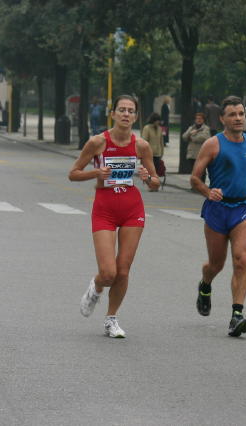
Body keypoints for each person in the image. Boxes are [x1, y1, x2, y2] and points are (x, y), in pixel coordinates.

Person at [69, 94, 161, 338]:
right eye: (121, 110)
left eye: (130, 111)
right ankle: (96, 287)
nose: (126, 114)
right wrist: (96, 173)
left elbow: (156, 183)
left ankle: (111, 319)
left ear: (136, 116)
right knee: (108, 272)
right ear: (113, 114)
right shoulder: (98, 142)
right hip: (105, 209)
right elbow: (73, 173)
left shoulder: (141, 146)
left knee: (123, 270)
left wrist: (147, 178)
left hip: (132, 208)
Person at [190, 95, 246, 337]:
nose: (238, 118)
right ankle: (205, 284)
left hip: (244, 209)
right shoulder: (212, 144)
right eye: (232, 114)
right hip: (218, 211)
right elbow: (195, 178)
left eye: (241, 114)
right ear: (222, 119)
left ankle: (236, 315)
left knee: (242, 260)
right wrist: (209, 191)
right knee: (216, 265)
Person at [183, 112, 210, 181]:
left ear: (203, 120)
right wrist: (190, 133)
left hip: (201, 154)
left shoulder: (206, 128)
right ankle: (195, 184)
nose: (198, 120)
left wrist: (192, 137)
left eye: (200, 119)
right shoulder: (191, 127)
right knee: (194, 171)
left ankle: (201, 184)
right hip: (192, 154)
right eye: (197, 118)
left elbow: (204, 137)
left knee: (202, 171)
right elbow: (184, 136)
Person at [142, 112, 164, 190]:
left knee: (156, 171)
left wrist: (162, 152)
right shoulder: (147, 128)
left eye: (159, 121)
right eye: (157, 121)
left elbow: (161, 141)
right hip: (149, 154)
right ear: (153, 120)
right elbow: (144, 141)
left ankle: (155, 185)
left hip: (157, 153)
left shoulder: (160, 129)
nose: (158, 122)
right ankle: (150, 185)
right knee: (149, 171)